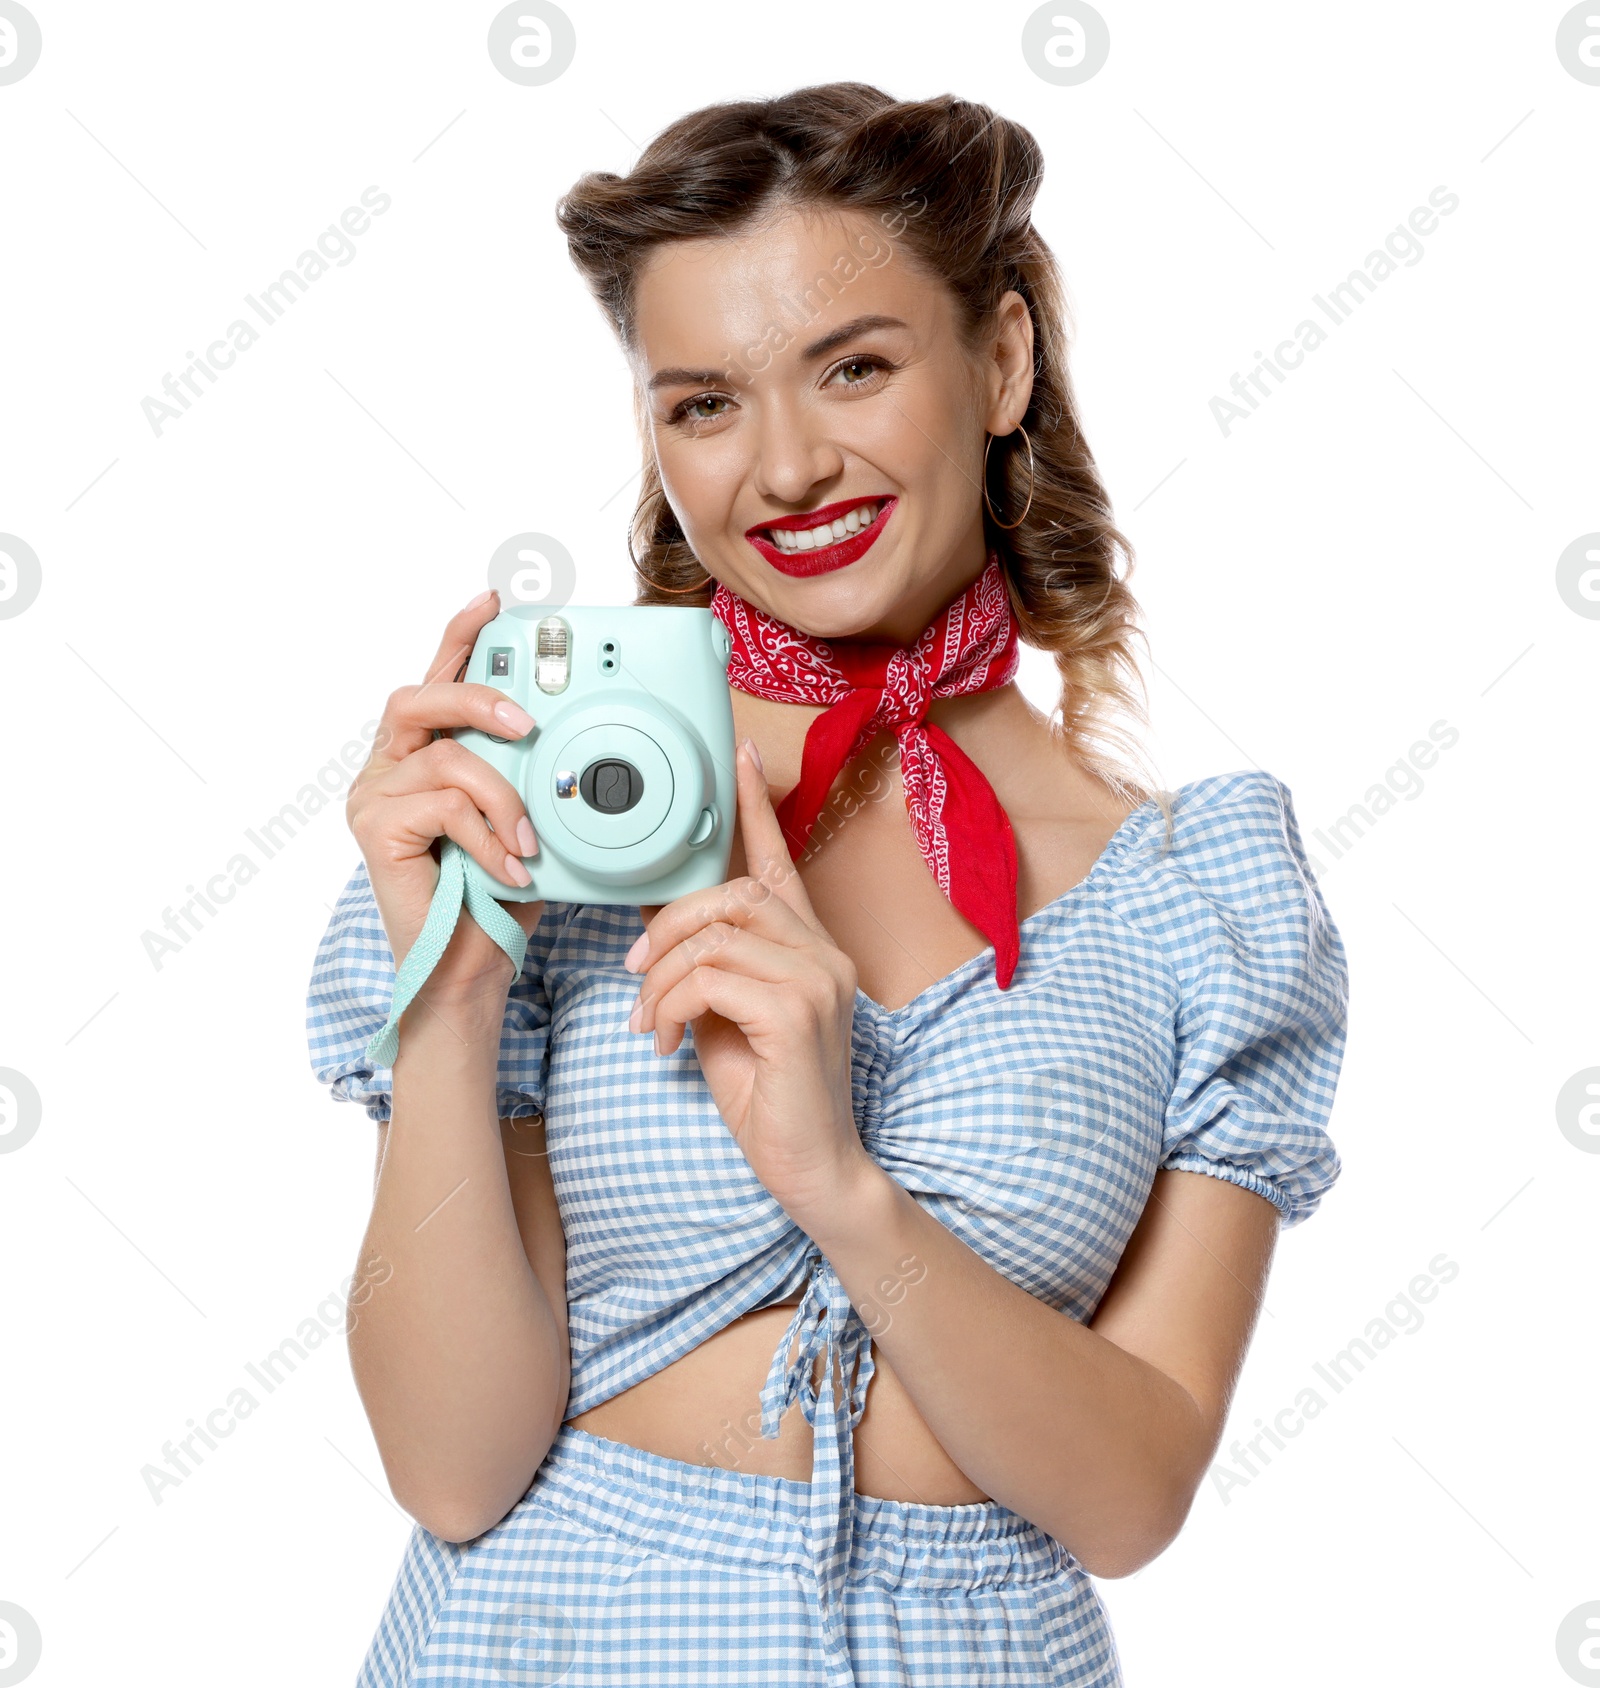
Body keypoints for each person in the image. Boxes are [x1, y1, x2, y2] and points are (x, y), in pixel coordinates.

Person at [306, 84, 1348, 1688]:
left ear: (1000, 362)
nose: (783, 469)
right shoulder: (558, 814)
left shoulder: (1199, 900)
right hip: (545, 1634)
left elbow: (1131, 1496)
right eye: (704, 403)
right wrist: (449, 995)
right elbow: (452, 1470)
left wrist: (840, 1183)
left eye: (853, 367)